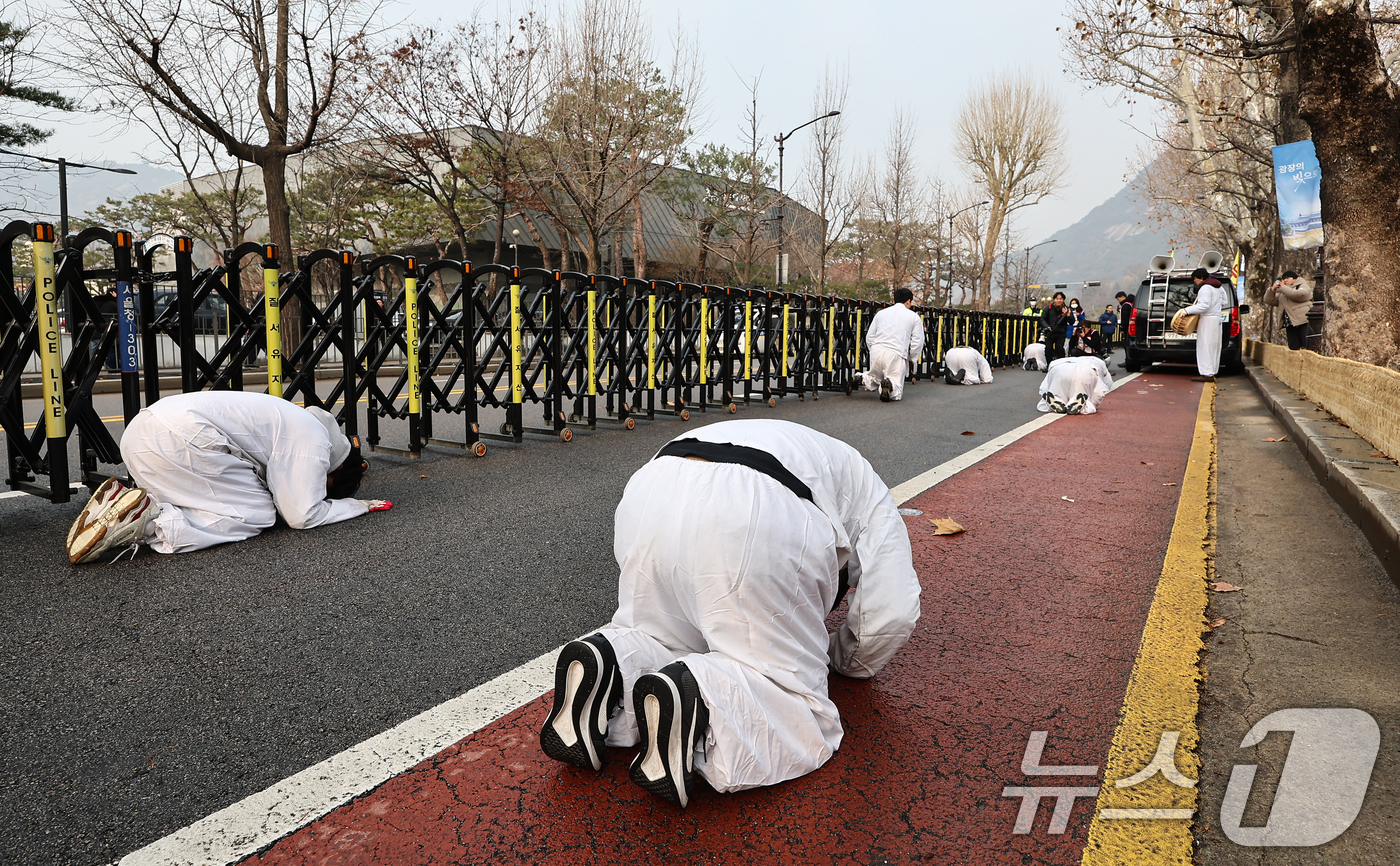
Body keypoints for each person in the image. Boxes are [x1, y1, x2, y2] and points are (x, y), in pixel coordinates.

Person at [539, 419, 920, 808]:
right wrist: (846, 660)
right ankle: (701, 699)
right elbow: (891, 610)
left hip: (654, 487)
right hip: (760, 508)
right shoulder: (871, 495)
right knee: (797, 703)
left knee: (667, 635)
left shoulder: (815, 450)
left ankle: (611, 660)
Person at [65, 391, 390, 564]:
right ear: (336, 469)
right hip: (183, 438)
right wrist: (357, 505)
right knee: (255, 515)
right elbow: (302, 514)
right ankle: (149, 522)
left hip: (141, 432)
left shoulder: (292, 417)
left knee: (200, 501)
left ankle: (120, 504)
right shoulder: (315, 440)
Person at [853, 288, 925, 402]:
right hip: (896, 353)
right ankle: (890, 386)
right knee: (896, 384)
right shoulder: (914, 317)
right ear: (908, 301)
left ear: (894, 300)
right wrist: (911, 358)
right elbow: (918, 342)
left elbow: (870, 336)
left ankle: (860, 379)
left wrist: (873, 349)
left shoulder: (881, 313)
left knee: (874, 377)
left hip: (876, 349)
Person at [1182, 267, 1228, 381]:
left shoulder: (1205, 288)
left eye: (1195, 279)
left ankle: (1206, 373)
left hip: (1207, 319)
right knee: (1215, 346)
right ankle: (1213, 371)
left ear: (1201, 278)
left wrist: (1187, 310)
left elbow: (1204, 305)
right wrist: (1215, 306)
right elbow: (1224, 301)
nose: (1195, 281)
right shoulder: (1218, 286)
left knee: (1205, 345)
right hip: (1217, 318)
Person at [1037, 356, 1114, 415]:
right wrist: (1093, 403)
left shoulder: (1064, 359)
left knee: (1058, 390)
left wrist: (1044, 393)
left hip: (1058, 367)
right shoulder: (1100, 363)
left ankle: (1057, 399)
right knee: (1081, 392)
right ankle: (1083, 404)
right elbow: (1103, 388)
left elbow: (1044, 386)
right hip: (1087, 370)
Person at [1264, 270, 1313, 350]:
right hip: (1290, 322)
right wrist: (1272, 289)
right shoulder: (1283, 292)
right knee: (1293, 346)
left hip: (1303, 321)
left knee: (1306, 344)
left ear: (1294, 279)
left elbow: (1299, 295)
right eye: (1284, 279)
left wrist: (1283, 288)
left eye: (1288, 278)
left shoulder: (1301, 285)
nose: (1285, 280)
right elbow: (1269, 300)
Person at [1040, 292, 1073, 363]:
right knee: (1048, 349)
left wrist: (1068, 315)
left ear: (1063, 300)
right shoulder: (1048, 308)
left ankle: (1061, 364)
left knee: (1059, 348)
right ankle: (1049, 364)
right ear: (1054, 299)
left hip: (1061, 332)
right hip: (1050, 332)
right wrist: (1047, 326)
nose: (1059, 300)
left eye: (1060, 299)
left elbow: (1071, 322)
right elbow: (1042, 319)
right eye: (1057, 299)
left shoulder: (1067, 309)